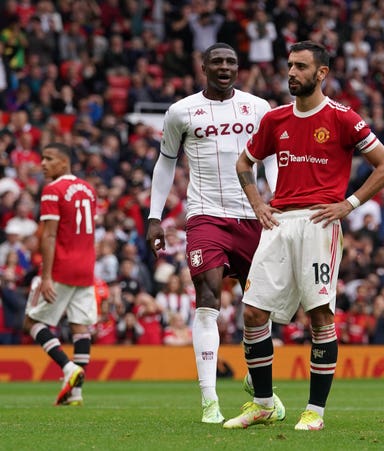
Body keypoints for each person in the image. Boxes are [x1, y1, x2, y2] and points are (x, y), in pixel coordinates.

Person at [223, 40, 384, 431]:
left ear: (321, 74)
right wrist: (257, 204)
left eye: (300, 66)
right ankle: (264, 404)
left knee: (319, 314)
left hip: (319, 224)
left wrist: (349, 204)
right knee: (252, 311)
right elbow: (243, 162)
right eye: (289, 65)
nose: (291, 73)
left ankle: (314, 412)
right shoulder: (275, 119)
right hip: (278, 221)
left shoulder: (343, 118)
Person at [145, 43, 281, 424]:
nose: (225, 67)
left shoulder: (258, 108)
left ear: (239, 68)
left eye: (231, 62)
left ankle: (259, 380)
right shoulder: (181, 111)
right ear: (203, 66)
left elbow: (270, 159)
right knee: (207, 296)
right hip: (206, 217)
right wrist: (154, 216)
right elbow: (165, 162)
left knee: (260, 305)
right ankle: (210, 400)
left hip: (253, 217)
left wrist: (281, 200)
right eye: (217, 61)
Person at [22, 142, 98, 406]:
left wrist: (45, 276)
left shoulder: (52, 190)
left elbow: (50, 234)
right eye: (42, 158)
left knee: (32, 323)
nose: (42, 163)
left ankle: (68, 369)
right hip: (87, 266)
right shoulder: (88, 190)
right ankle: (76, 394)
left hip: (62, 267)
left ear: (64, 163)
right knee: (80, 326)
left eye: (49, 158)